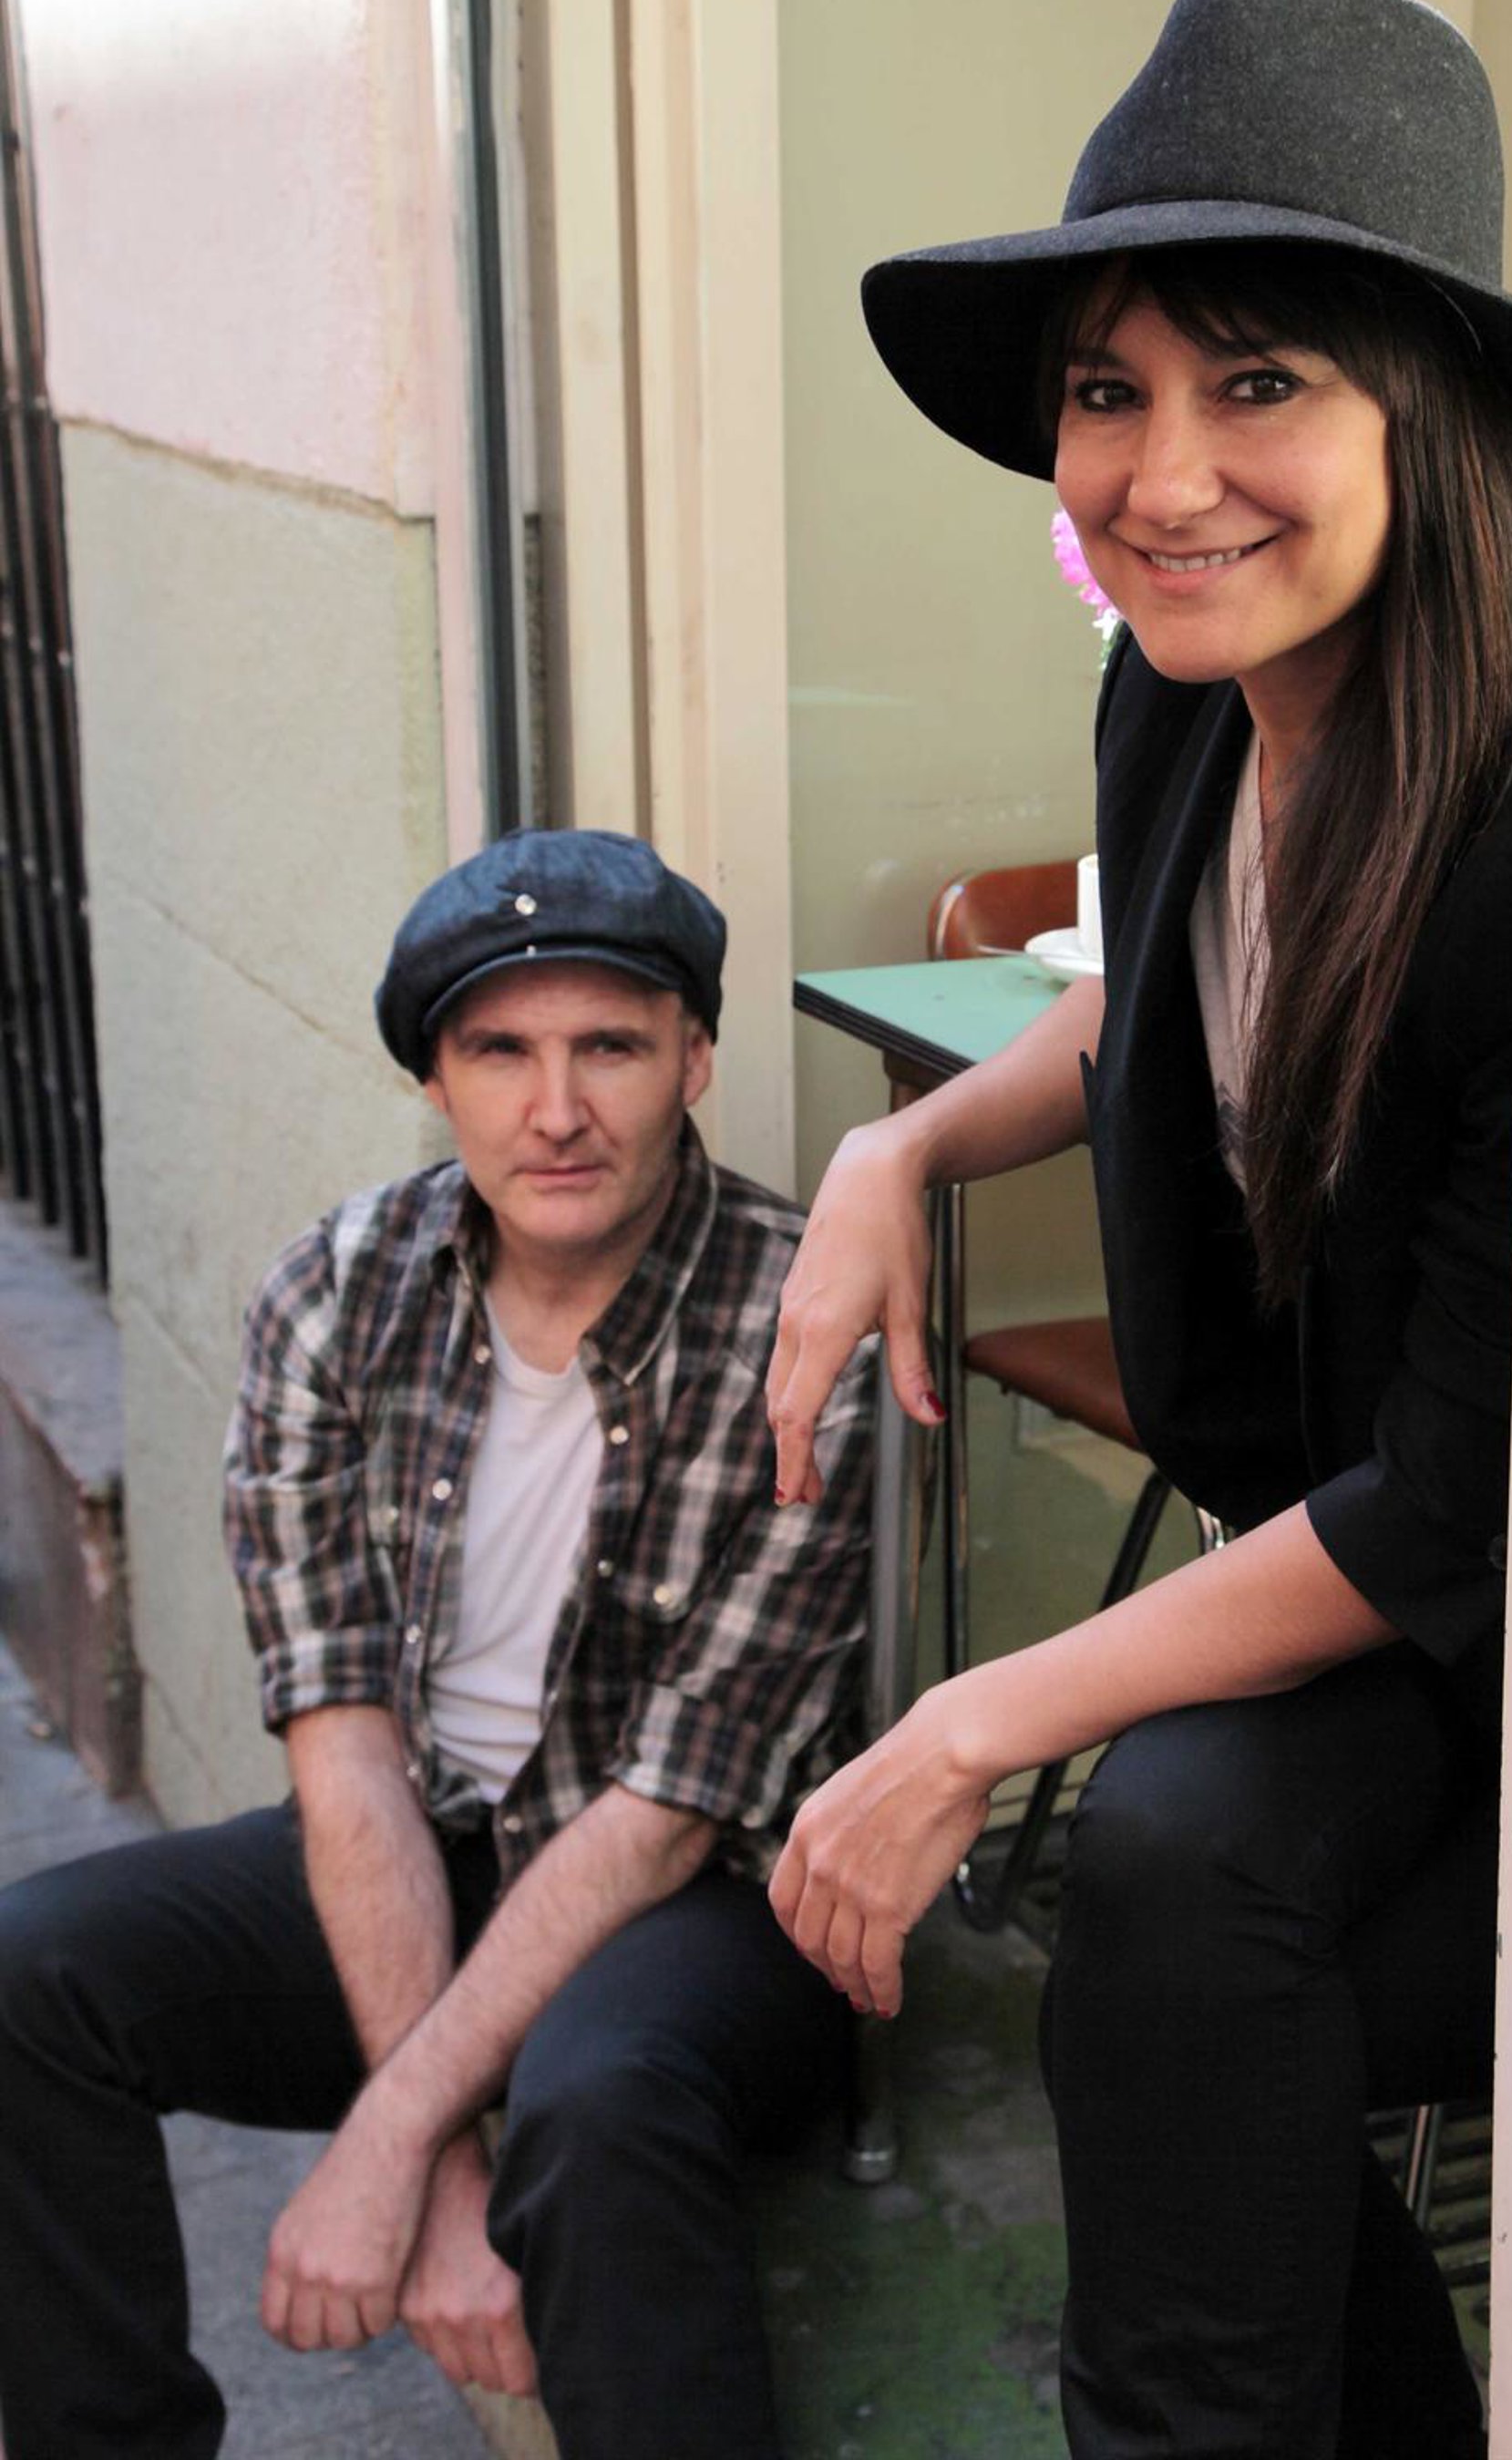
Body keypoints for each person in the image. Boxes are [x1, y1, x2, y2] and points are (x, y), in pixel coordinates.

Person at [766, 0, 1512, 2458]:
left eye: (1260, 380)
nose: (1162, 472)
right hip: (1332, 1573)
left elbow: (1456, 1500)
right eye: (1109, 388)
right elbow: (1154, 1009)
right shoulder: (1189, 702)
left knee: (1177, 1912)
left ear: (1430, 410)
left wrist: (971, 1717)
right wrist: (904, 1148)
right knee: (1189, 1961)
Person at [0, 829, 874, 2460]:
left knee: (597, 2105)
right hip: (426, 1840)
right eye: (500, 1053)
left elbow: (669, 1812)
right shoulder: (335, 1294)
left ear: (695, 1058)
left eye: (610, 1047)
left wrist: (391, 2142)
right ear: (434, 1080)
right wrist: (444, 2169)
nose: (557, 1111)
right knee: (31, 1974)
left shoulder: (805, 1336)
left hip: (707, 1899)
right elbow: (340, 1746)